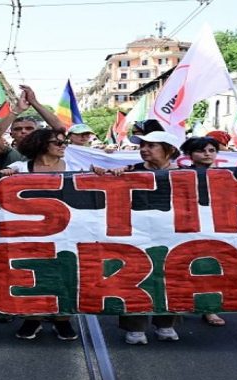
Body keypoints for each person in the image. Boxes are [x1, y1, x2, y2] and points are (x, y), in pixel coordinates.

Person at [93, 130, 182, 344]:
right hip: (136, 235)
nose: (144, 149)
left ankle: (166, 324)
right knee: (133, 276)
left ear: (169, 150)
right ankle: (135, 327)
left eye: (151, 145)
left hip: (173, 235)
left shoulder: (187, 174)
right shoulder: (130, 171)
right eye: (142, 145)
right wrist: (105, 174)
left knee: (171, 277)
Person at [0, 128, 79, 341]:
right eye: (58, 143)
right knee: (32, 273)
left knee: (65, 274)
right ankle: (33, 318)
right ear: (42, 145)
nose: (63, 146)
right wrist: (2, 174)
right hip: (30, 232)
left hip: (67, 232)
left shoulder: (74, 166)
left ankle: (63, 320)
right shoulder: (20, 168)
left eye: (64, 142)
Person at [179, 136, 227, 327]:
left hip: (215, 227)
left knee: (210, 266)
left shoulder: (229, 174)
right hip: (187, 226)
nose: (207, 154)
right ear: (190, 155)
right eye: (201, 151)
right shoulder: (179, 174)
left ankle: (209, 308)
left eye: (211, 150)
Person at [0, 85, 65, 169]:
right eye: (17, 129)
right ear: (11, 134)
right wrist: (17, 109)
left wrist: (34, 102)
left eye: (29, 128)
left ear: (37, 132)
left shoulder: (48, 151)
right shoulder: (6, 152)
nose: (23, 131)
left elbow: (60, 129)